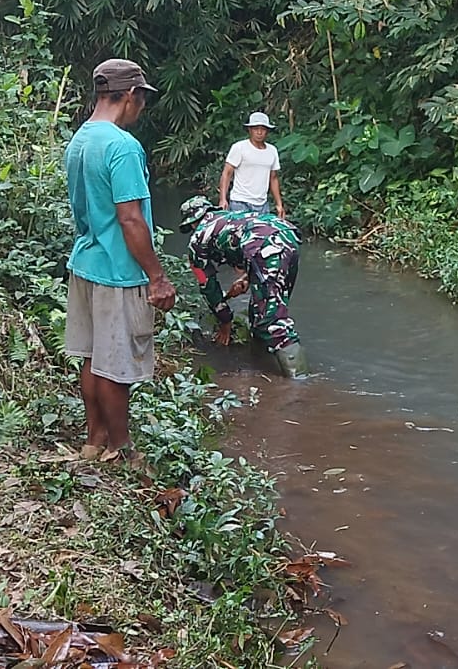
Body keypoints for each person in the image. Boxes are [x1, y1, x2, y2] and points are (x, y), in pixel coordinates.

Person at [64, 59, 178, 466]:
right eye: (142, 100)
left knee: (93, 357)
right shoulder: (122, 146)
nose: (141, 109)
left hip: (86, 263)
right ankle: (122, 449)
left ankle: (94, 440)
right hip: (118, 271)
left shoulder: (79, 140)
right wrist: (157, 277)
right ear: (130, 95)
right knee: (115, 365)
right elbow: (130, 218)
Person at [178, 196, 306, 376]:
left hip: (266, 248)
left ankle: (299, 381)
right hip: (287, 235)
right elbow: (257, 238)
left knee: (271, 321)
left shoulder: (197, 241)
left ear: (192, 222)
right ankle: (262, 363)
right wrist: (247, 278)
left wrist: (225, 320)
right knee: (261, 311)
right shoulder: (231, 217)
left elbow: (207, 286)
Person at [218, 110, 284, 217]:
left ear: (267, 131)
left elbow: (273, 178)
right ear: (250, 130)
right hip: (240, 201)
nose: (259, 132)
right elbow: (227, 173)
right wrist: (222, 199)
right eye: (256, 129)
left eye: (263, 129)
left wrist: (279, 204)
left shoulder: (272, 151)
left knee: (262, 228)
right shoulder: (239, 148)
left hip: (262, 204)